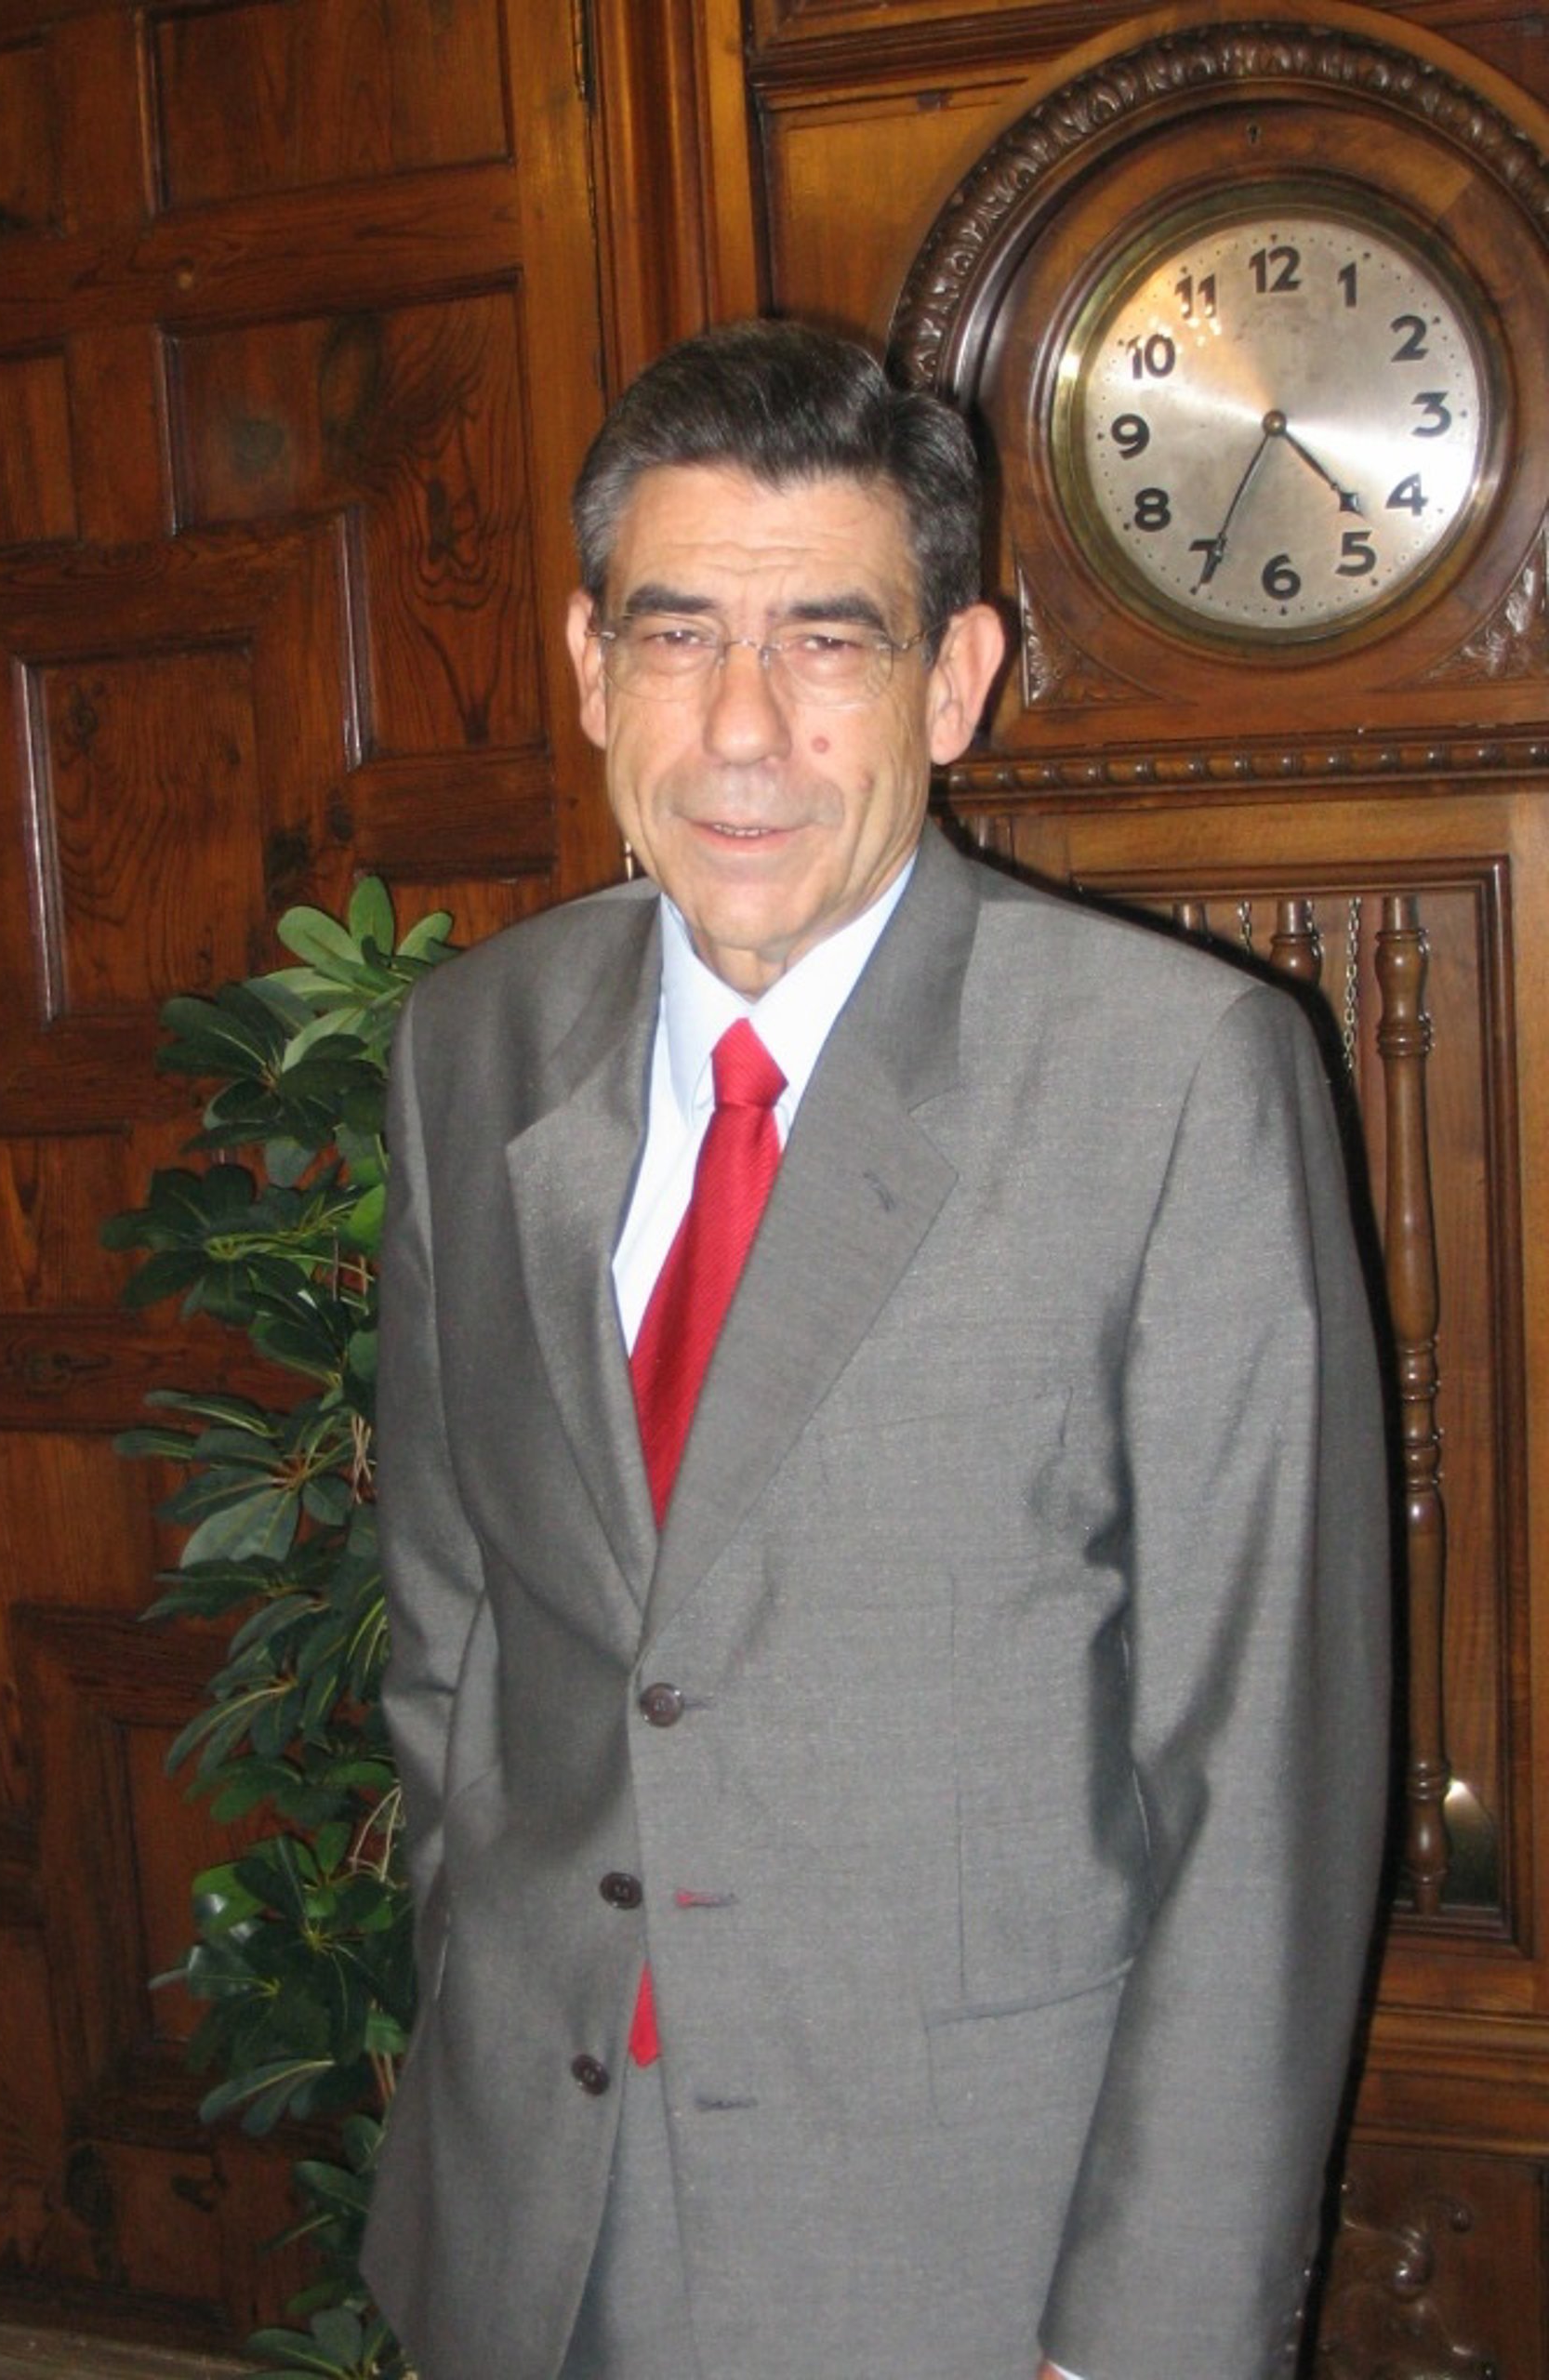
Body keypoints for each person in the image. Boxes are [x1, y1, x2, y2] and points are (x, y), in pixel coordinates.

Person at [360, 318, 1390, 2380]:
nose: (743, 728)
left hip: (964, 2244)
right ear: (589, 667)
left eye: (827, 642)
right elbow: (451, 1623)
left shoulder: (1176, 1077)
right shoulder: (471, 1049)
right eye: (677, 636)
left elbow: (1260, 1776)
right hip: (534, 2206)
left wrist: (1145, 2335)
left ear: (955, 677)